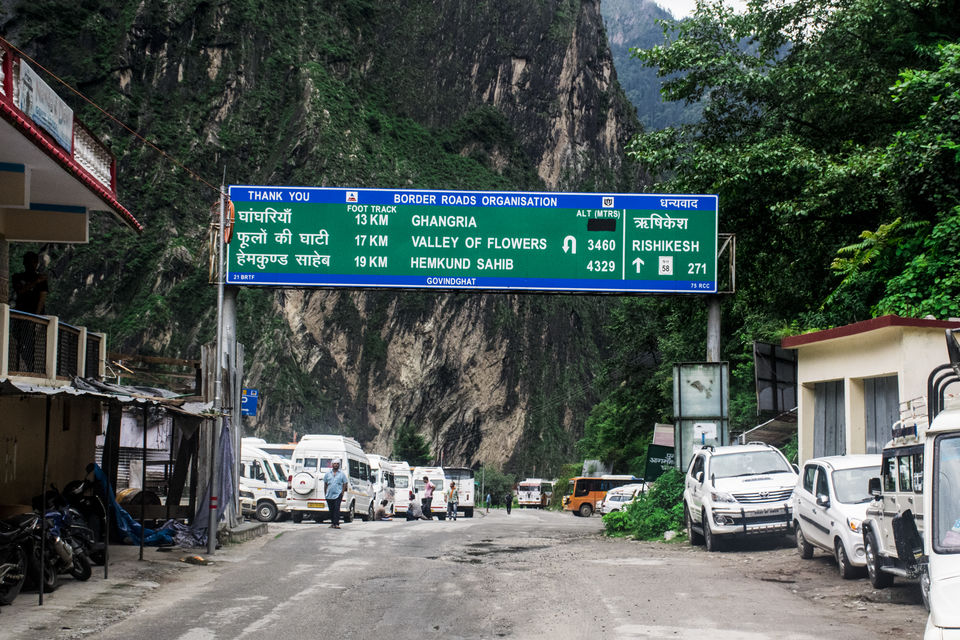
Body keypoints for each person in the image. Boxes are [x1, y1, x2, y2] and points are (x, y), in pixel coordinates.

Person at [323, 460, 349, 529]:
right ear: (332, 465)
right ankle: (332, 523)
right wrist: (325, 493)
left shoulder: (342, 474)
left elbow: (345, 483)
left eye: (337, 464)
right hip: (329, 494)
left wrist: (342, 492)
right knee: (331, 509)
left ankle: (336, 523)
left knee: (336, 509)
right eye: (334, 464)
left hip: (338, 494)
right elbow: (325, 483)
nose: (336, 465)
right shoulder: (328, 474)